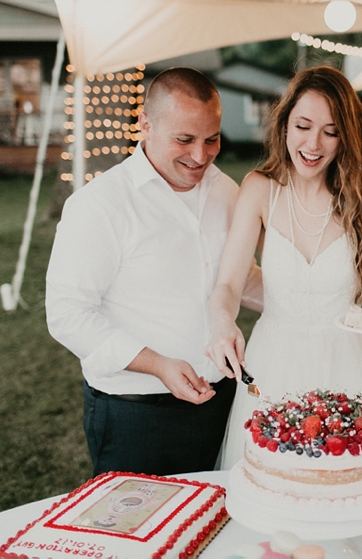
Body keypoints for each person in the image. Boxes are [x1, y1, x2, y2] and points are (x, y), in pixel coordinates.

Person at [46, 67, 262, 477]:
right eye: (184, 139)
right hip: (137, 413)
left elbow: (238, 277)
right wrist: (157, 363)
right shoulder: (99, 205)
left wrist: (310, 297)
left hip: (225, 400)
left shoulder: (227, 192)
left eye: (211, 139)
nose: (200, 156)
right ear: (145, 124)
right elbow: (67, 314)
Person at [203, 66, 362, 469]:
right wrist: (221, 322)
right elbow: (228, 282)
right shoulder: (260, 189)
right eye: (303, 126)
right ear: (284, 126)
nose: (313, 143)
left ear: (346, 137)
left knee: (345, 481)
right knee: (273, 484)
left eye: (330, 131)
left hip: (348, 360)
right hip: (273, 359)